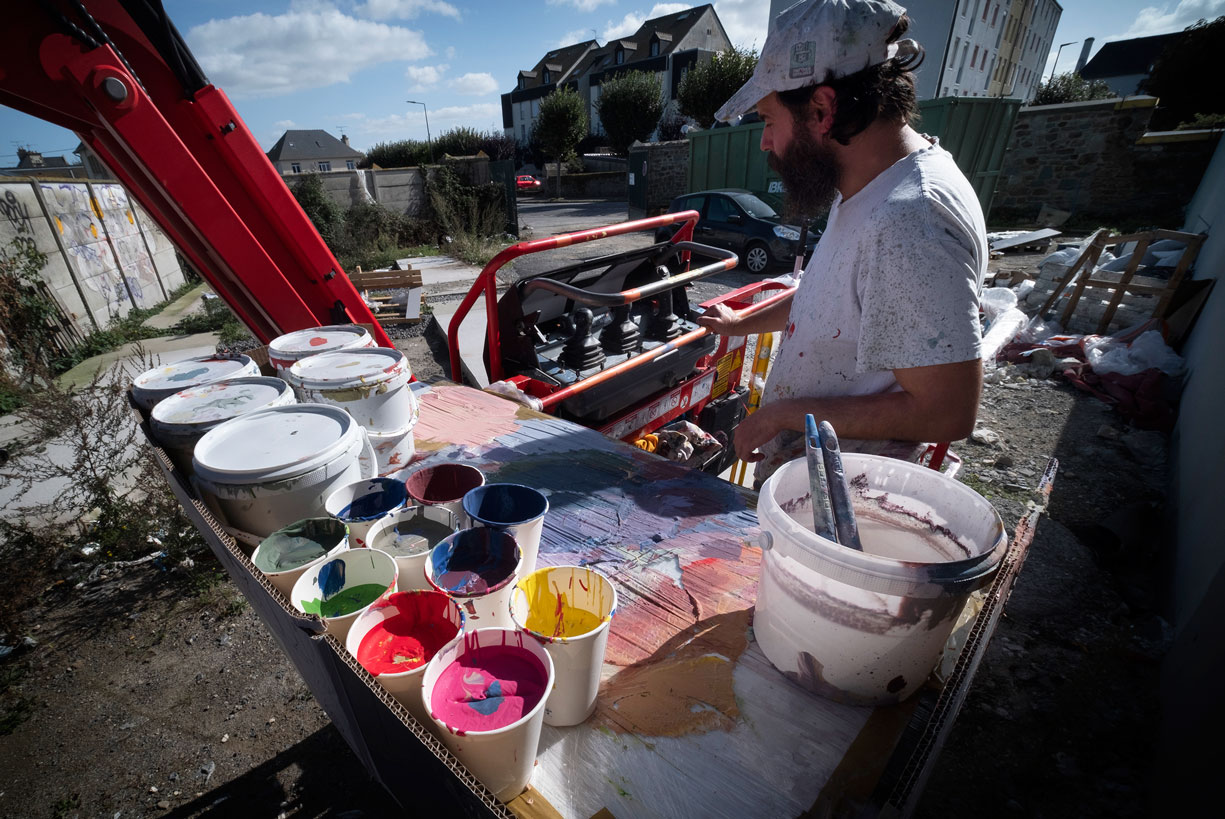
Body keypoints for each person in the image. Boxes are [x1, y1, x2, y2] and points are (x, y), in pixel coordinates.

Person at [697, 0, 987, 488]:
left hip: (843, 506)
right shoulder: (868, 189)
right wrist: (740, 322)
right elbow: (826, 298)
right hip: (816, 484)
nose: (765, 142)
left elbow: (947, 411)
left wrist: (782, 415)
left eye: (768, 120)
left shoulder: (909, 218)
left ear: (821, 109)